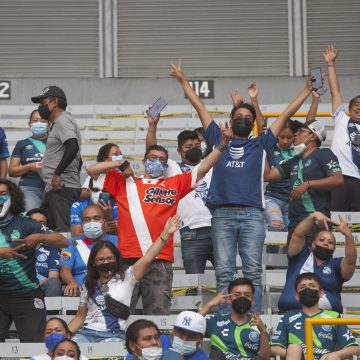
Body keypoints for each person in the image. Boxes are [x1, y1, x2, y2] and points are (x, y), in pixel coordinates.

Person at [170, 59, 315, 312]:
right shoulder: (217, 137)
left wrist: (305, 90)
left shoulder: (261, 143)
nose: (244, 119)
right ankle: (227, 318)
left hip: (252, 215)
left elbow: (287, 114)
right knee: (224, 273)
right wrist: (183, 80)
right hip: (222, 215)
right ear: (231, 119)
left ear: (253, 123)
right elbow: (200, 106)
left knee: (252, 272)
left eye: (248, 117)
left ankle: (254, 319)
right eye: (239, 116)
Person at [86, 124, 232, 314]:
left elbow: (204, 167)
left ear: (166, 165)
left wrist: (223, 143)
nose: (157, 162)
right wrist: (120, 164)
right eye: (152, 158)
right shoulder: (126, 182)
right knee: (118, 315)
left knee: (158, 317)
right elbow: (91, 170)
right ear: (144, 161)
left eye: (162, 160)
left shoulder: (175, 183)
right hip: (127, 260)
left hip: (160, 260)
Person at [69, 215, 181, 343]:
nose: (106, 261)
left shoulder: (128, 276)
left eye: (110, 258)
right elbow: (79, 318)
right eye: (101, 259)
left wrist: (166, 233)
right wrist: (63, 337)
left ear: (117, 259)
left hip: (114, 335)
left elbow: (148, 257)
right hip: (86, 334)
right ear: (93, 263)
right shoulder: (88, 284)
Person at [0, 179, 67, 342]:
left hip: (27, 297)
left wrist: (41, 237)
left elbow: (63, 241)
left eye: (3, 194)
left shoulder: (26, 223)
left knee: (34, 347)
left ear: (13, 197)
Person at [146, 114, 213, 274]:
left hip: (217, 228)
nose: (194, 148)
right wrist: (152, 126)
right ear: (179, 150)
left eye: (197, 145)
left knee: (225, 278)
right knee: (193, 282)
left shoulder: (210, 163)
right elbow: (152, 150)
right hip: (191, 232)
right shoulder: (172, 167)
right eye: (188, 146)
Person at [265, 119, 344, 244]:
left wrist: (308, 184)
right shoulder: (294, 160)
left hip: (316, 221)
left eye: (301, 131)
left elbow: (338, 179)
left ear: (313, 136)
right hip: (295, 223)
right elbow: (268, 176)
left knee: (314, 263)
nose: (296, 134)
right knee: (295, 263)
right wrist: (263, 147)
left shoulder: (323, 153)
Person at [278, 211, 357, 314]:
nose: (325, 243)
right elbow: (297, 235)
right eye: (321, 240)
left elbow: (351, 261)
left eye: (330, 242)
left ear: (334, 249)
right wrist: (312, 217)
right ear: (313, 244)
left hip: (327, 319)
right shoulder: (300, 255)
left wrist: (348, 235)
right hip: (290, 314)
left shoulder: (336, 265)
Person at [271, 273, 360, 359]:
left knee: (334, 357)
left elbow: (354, 348)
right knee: (294, 348)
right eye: (302, 287)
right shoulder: (288, 316)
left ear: (321, 293)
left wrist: (332, 355)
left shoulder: (333, 316)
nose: (307, 289)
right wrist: (297, 354)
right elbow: (273, 348)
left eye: (312, 286)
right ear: (297, 296)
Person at [31, 85, 81, 232]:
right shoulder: (56, 124)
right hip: (56, 188)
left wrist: (58, 174)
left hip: (61, 188)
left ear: (55, 102)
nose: (40, 107)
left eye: (43, 103)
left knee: (63, 233)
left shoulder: (62, 120)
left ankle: (67, 257)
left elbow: (73, 146)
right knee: (52, 233)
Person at [323, 44, 360, 211]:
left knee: (358, 227)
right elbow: (335, 91)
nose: (359, 107)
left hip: (358, 180)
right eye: (356, 104)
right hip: (338, 177)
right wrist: (331, 64)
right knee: (336, 222)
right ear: (350, 108)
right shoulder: (342, 119)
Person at [199, 278, 270, 360]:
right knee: (216, 355)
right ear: (229, 298)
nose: (242, 298)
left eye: (247, 295)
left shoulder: (258, 324)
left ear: (253, 300)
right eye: (237, 295)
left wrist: (263, 332)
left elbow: (265, 358)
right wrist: (209, 305)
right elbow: (189, 327)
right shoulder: (216, 320)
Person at [60, 204, 118, 296]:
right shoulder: (72, 243)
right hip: (81, 291)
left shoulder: (117, 241)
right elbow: (65, 268)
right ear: (82, 224)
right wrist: (71, 282)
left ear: (104, 221)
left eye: (96, 218)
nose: (92, 223)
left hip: (113, 291)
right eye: (86, 220)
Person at [71, 143, 121, 237]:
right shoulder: (79, 206)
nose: (119, 157)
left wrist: (108, 217)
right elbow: (76, 236)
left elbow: (118, 236)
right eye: (115, 154)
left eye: (120, 154)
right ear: (105, 157)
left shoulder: (117, 205)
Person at [9, 109, 48, 211]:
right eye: (35, 120)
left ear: (49, 123)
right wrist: (30, 166)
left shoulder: (56, 143)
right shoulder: (22, 144)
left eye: (43, 121)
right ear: (29, 124)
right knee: (32, 218)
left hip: (53, 188)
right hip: (29, 188)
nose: (39, 123)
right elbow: (12, 171)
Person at [27, 208, 62, 297]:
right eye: (34, 222)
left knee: (54, 283)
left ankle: (51, 311)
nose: (38, 226)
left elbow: (53, 277)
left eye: (42, 223)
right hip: (17, 288)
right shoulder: (15, 246)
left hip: (40, 288)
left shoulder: (52, 249)